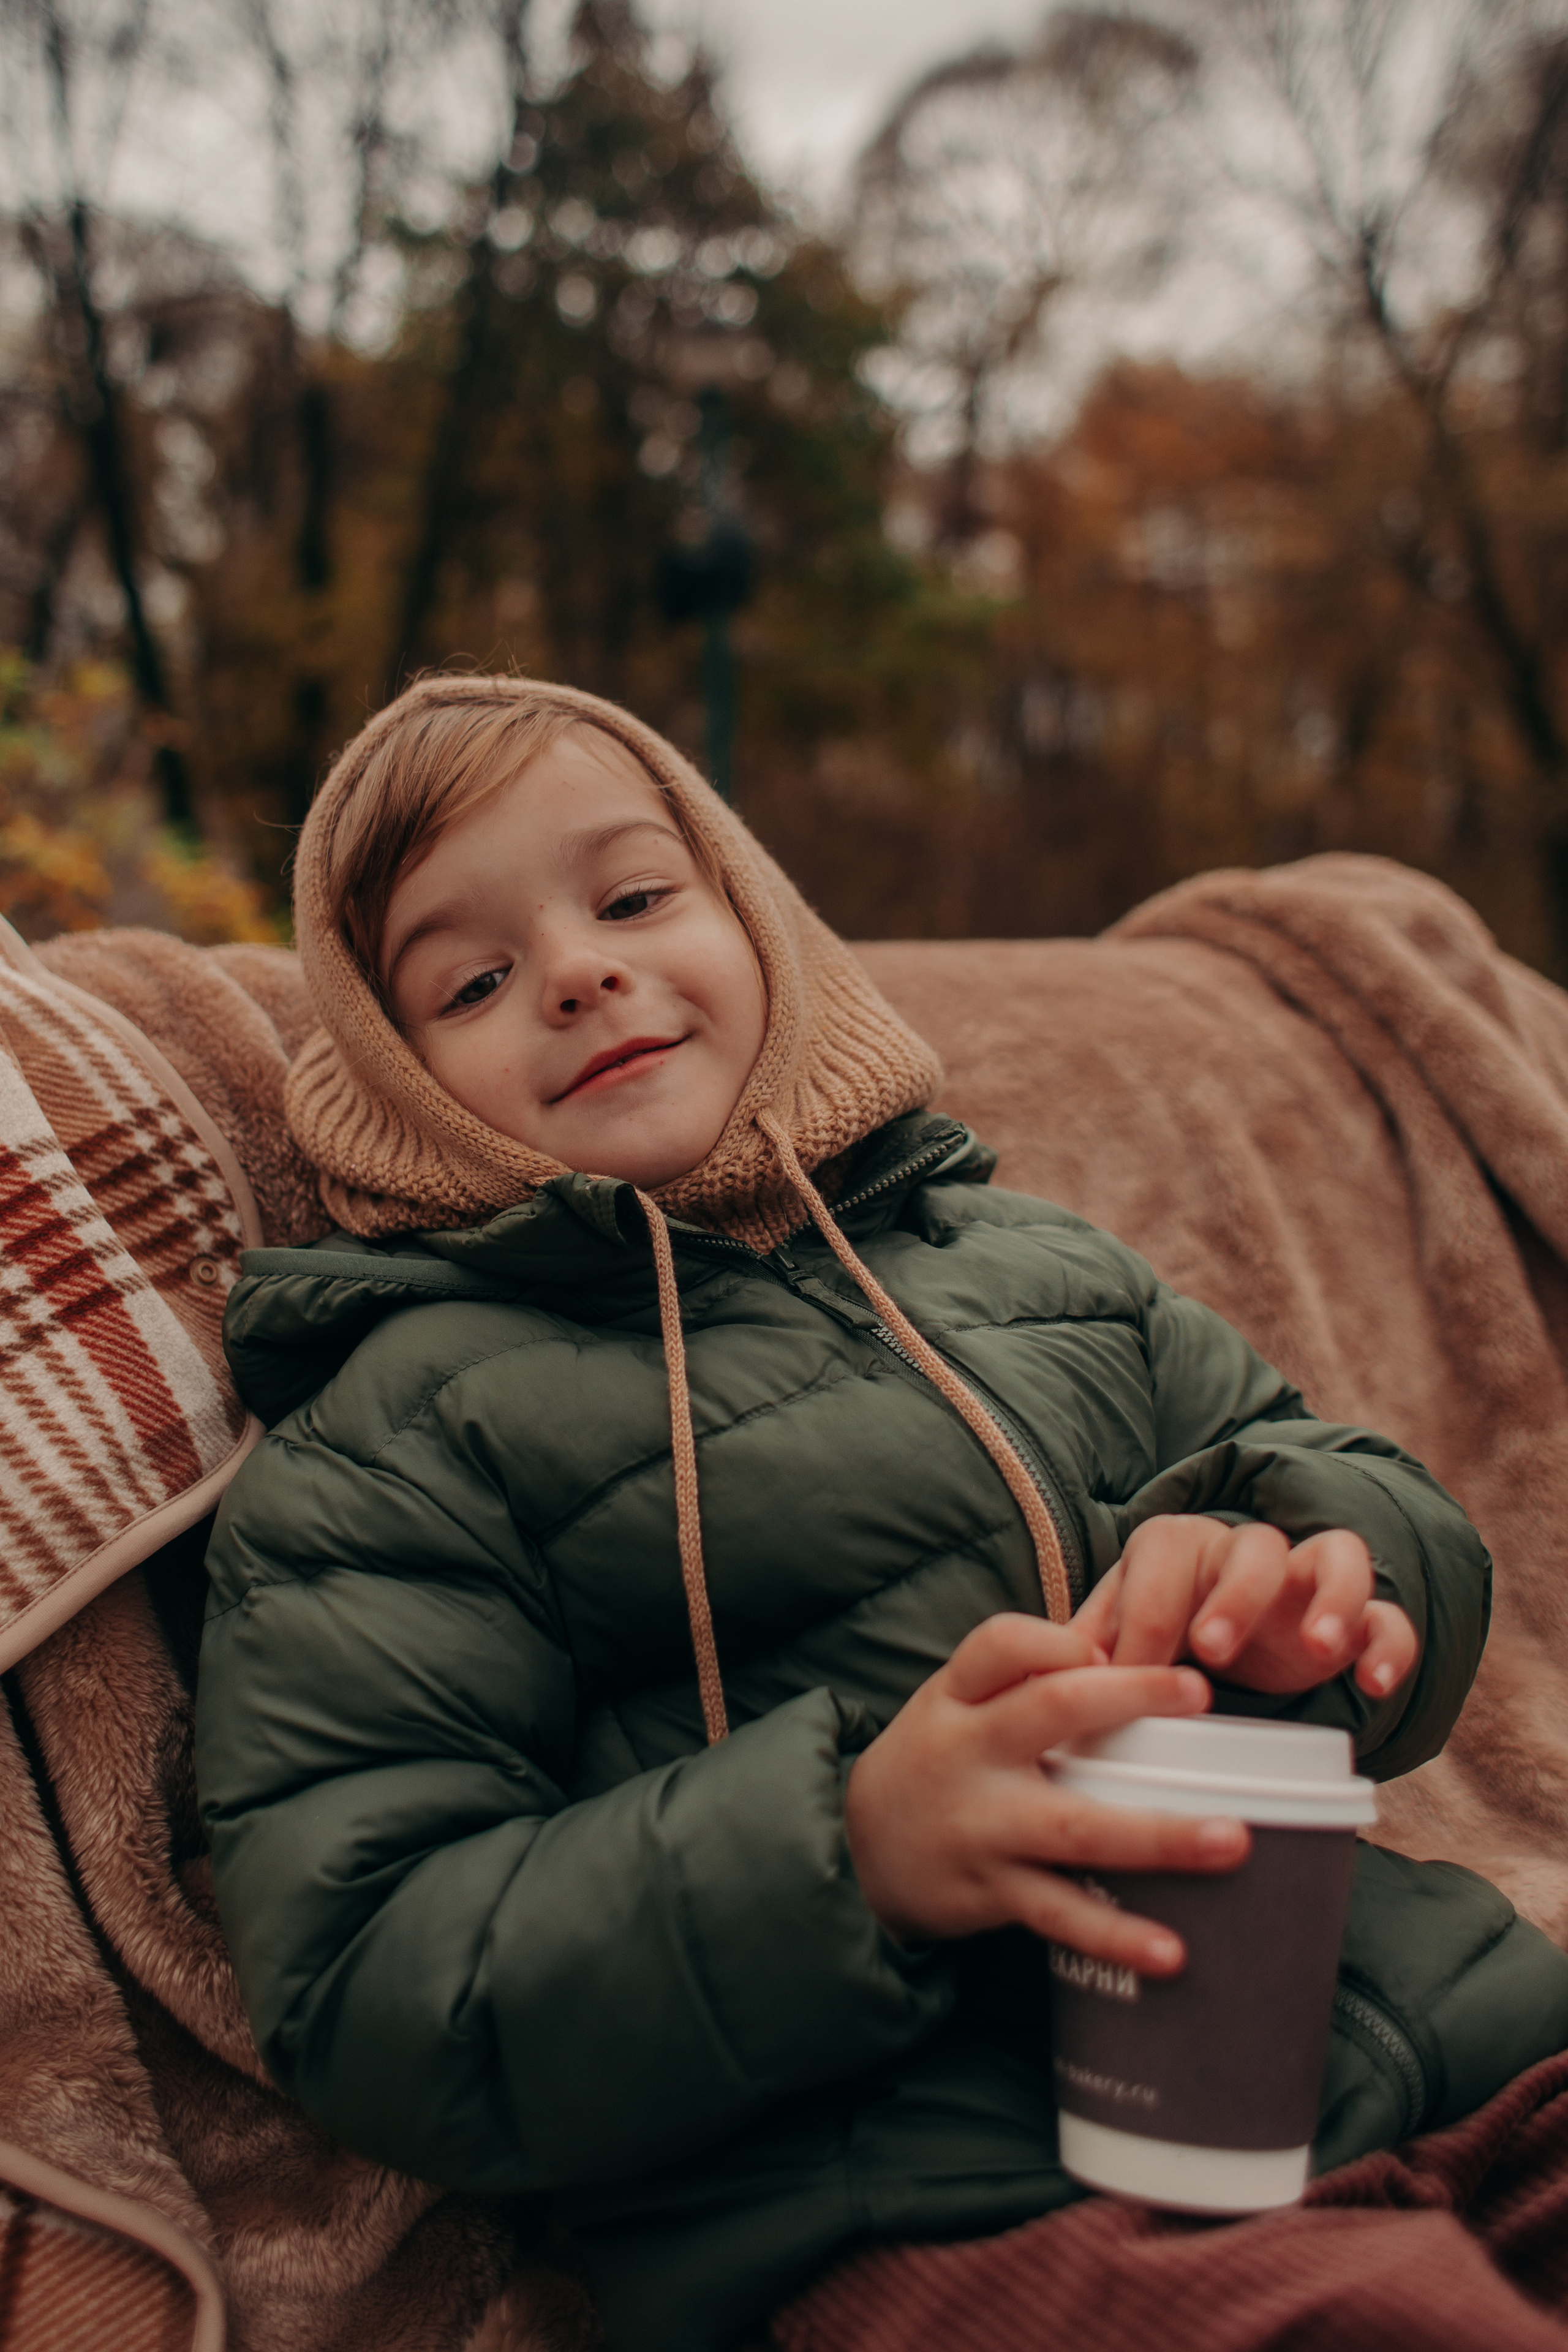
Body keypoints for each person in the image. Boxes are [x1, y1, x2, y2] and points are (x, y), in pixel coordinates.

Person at [194, 675, 1568, 2352]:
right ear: (393, 1086)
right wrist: (854, 1853)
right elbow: (370, 1973)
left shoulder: (1029, 1262)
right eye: (473, 979)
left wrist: (1319, 1574)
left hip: (1401, 2031)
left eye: (634, 897)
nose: (578, 970)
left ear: (761, 921)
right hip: (919, 2191)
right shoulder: (397, 1433)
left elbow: (1352, 1476)